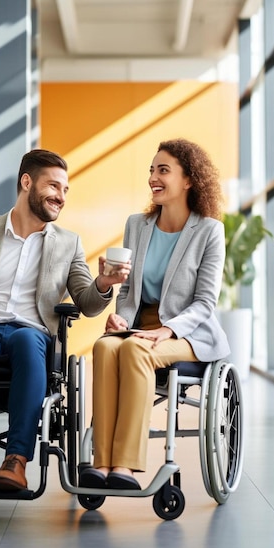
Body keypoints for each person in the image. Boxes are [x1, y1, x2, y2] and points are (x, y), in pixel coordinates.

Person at [0, 149, 130, 492]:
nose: (60, 197)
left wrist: (104, 283)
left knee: (25, 340)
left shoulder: (68, 243)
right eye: (53, 186)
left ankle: (16, 461)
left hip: (30, 332)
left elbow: (88, 302)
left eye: (65, 190)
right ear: (26, 182)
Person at [80, 138, 231, 491]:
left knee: (134, 351)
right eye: (151, 170)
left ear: (189, 179)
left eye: (163, 170)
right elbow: (129, 290)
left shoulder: (209, 231)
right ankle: (102, 463)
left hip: (188, 335)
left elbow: (205, 302)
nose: (153, 177)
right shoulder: (138, 225)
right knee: (104, 347)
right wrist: (119, 318)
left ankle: (127, 466)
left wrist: (168, 331)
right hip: (139, 327)